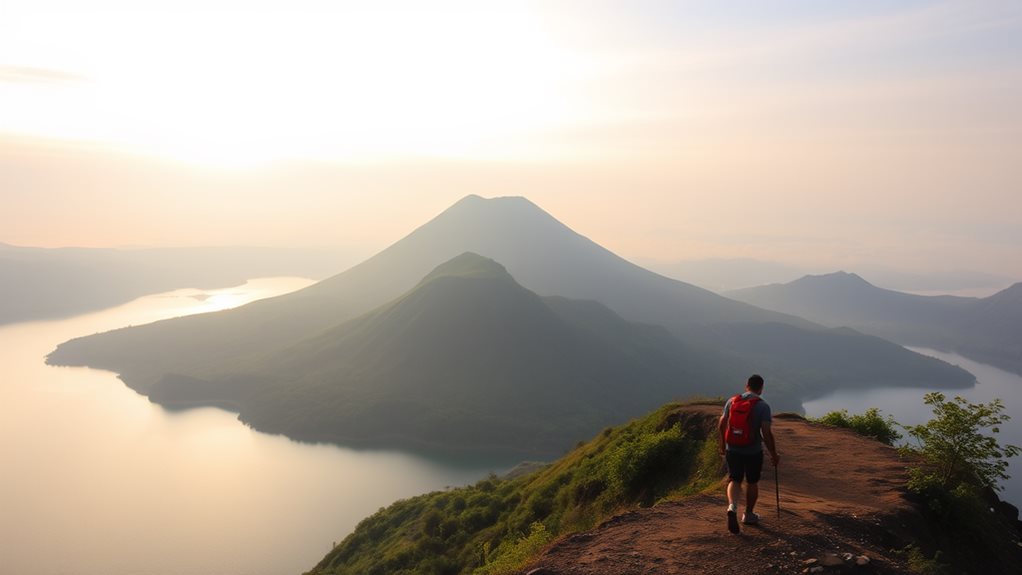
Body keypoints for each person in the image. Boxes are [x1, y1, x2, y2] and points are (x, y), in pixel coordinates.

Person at [718, 374, 779, 534]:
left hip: (732, 448)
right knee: (752, 482)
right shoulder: (763, 406)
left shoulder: (732, 401)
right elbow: (766, 432)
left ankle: (732, 506)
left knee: (735, 479)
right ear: (761, 388)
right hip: (753, 451)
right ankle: (749, 515)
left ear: (747, 385)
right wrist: (773, 453)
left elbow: (722, 423)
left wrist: (722, 445)